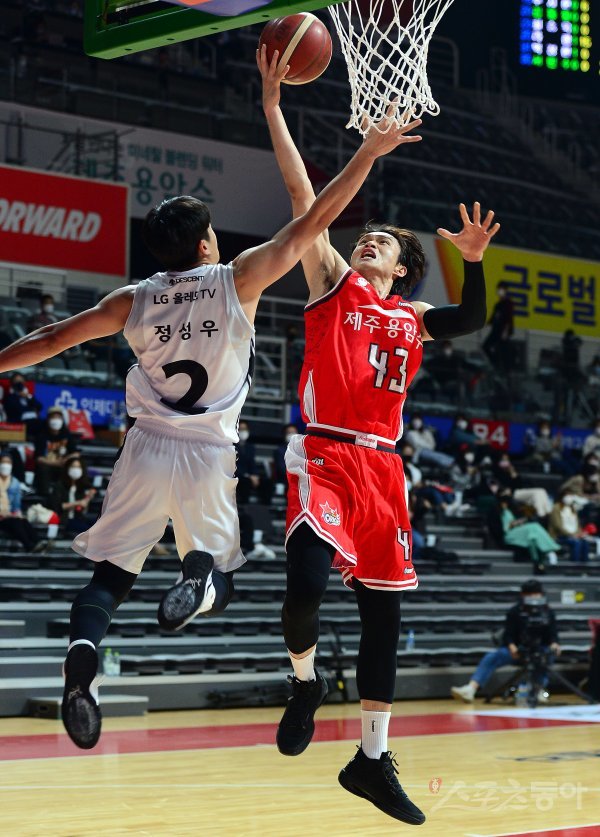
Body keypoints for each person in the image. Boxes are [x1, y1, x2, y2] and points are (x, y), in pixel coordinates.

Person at [0, 103, 418, 751]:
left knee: (109, 577)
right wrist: (366, 150)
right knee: (219, 574)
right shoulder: (236, 279)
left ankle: (83, 657)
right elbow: (314, 215)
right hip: (206, 452)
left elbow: (52, 337)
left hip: (143, 446)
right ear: (204, 245)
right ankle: (199, 581)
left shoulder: (132, 298)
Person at [259, 47, 499, 826]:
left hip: (384, 470)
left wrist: (473, 263)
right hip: (325, 451)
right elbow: (304, 197)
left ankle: (370, 758)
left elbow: (470, 318)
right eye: (366, 237)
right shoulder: (332, 281)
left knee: (383, 618)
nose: (370, 242)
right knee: (305, 583)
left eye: (384, 243)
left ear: (403, 268)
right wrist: (274, 108)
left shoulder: (413, 316)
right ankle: (304, 680)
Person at [451, 579, 560, 703]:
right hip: (517, 650)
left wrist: (555, 644)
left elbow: (553, 635)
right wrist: (512, 647)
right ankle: (471, 689)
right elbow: (508, 635)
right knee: (492, 657)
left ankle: (537, 689)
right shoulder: (515, 611)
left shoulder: (548, 612)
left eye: (536, 594)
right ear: (523, 595)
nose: (533, 597)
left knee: (546, 657)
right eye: (529, 594)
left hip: (540, 650)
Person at [488, 489, 560, 573]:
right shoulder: (494, 510)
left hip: (519, 532)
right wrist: (511, 525)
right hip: (507, 535)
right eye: (504, 493)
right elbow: (497, 529)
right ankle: (552, 548)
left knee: (532, 538)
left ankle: (538, 564)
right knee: (533, 527)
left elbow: (521, 518)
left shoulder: (512, 508)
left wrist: (519, 522)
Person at [0, 450, 48, 552]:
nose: (5, 465)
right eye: (3, 462)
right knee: (15, 522)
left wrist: (16, 514)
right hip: (2, 517)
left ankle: (38, 542)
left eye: (8, 463)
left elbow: (16, 505)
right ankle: (29, 546)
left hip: (9, 515)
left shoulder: (15, 482)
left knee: (23, 521)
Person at [34, 407, 78, 496]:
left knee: (74, 466)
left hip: (62, 465)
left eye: (58, 418)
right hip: (47, 465)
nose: (56, 420)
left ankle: (71, 493)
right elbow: (38, 458)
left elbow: (76, 453)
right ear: (48, 420)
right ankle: (45, 496)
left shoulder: (66, 434)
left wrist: (66, 460)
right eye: (53, 417)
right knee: (43, 469)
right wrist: (54, 463)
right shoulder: (41, 435)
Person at [50, 454, 97, 535]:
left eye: (78, 467)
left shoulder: (81, 485)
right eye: (73, 467)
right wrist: (78, 503)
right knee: (88, 529)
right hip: (65, 519)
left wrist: (90, 495)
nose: (76, 470)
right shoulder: (59, 485)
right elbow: (58, 506)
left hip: (78, 517)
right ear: (67, 468)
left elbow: (93, 489)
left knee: (98, 524)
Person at [235, 419, 273, 505]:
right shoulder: (231, 446)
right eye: (241, 429)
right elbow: (233, 466)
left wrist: (255, 475)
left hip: (250, 476)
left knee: (267, 482)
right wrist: (248, 476)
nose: (243, 431)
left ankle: (266, 506)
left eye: (245, 429)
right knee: (245, 482)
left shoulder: (250, 447)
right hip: (238, 476)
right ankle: (244, 506)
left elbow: (252, 464)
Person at [548, 491, 590, 563]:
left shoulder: (573, 508)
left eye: (571, 495)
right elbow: (557, 526)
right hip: (559, 535)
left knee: (584, 542)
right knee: (576, 542)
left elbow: (577, 524)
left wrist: (580, 534)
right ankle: (574, 564)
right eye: (567, 495)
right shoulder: (556, 508)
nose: (569, 497)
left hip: (573, 535)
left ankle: (585, 564)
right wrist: (572, 535)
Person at [481, 280, 513, 369]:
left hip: (503, 331)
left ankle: (503, 368)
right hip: (495, 330)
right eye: (499, 289)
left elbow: (509, 319)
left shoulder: (508, 303)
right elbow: (493, 317)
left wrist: (505, 331)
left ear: (506, 290)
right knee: (485, 346)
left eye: (502, 289)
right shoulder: (498, 305)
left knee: (502, 351)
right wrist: (485, 324)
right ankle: (495, 364)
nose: (500, 291)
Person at [3, 372, 43, 436]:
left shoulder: (28, 396)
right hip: (19, 422)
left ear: (25, 382)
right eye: (16, 380)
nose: (19, 382)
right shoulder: (10, 398)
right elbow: (16, 410)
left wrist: (27, 397)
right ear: (12, 383)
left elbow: (39, 406)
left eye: (21, 380)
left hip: (33, 421)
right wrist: (19, 395)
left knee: (43, 424)